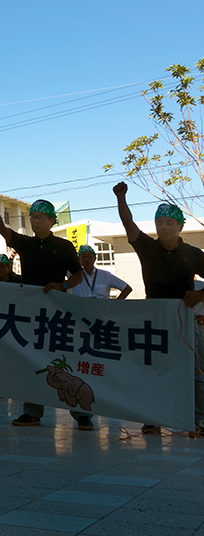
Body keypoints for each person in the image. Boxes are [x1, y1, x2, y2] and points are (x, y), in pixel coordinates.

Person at [0, 195, 89, 430]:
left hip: (59, 313)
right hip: (31, 313)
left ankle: (82, 413)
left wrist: (61, 286)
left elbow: (78, 275)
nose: (36, 221)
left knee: (66, 361)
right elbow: (2, 228)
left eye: (40, 216)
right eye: (32, 217)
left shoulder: (64, 246)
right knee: (31, 362)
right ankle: (32, 412)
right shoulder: (25, 244)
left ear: (52, 220)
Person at [114, 183, 204, 437]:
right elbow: (128, 223)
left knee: (195, 370)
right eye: (160, 222)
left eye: (169, 222)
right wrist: (121, 197)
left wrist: (199, 294)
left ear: (180, 227)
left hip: (184, 319)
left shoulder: (194, 254)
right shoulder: (147, 247)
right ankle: (152, 418)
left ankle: (200, 420)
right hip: (153, 319)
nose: (164, 226)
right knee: (153, 369)